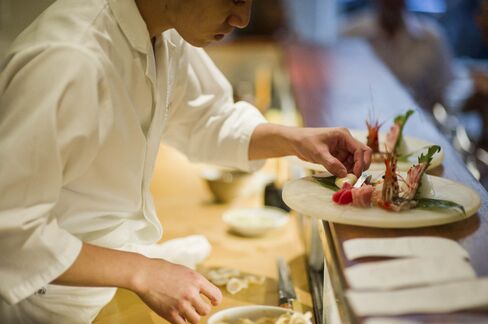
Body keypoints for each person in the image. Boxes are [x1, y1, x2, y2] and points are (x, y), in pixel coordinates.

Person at [0, 0, 372, 323]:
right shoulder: (69, 57)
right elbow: (12, 233)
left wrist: (297, 141)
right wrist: (143, 272)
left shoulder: (164, 32)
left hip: (113, 280)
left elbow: (208, 118)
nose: (242, 19)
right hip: (47, 302)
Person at [342, 0, 454, 111]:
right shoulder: (350, 36)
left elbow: (444, 93)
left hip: (417, 121)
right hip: (363, 121)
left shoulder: (431, 38)